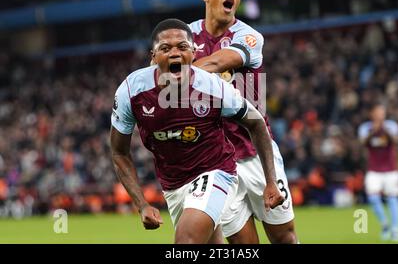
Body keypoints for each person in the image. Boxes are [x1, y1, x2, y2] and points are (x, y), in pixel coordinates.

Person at [110, 18, 284, 244]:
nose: (175, 53)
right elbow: (119, 152)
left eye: (182, 47)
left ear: (193, 53)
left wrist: (271, 180)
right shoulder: (131, 91)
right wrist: (141, 203)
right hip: (173, 184)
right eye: (165, 48)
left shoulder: (213, 87)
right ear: (153, 57)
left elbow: (256, 122)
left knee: (186, 242)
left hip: (215, 170)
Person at [189, 0, 297, 244]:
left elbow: (217, 62)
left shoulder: (249, 36)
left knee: (284, 237)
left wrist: (170, 75)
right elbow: (158, 61)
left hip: (255, 154)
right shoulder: (185, 37)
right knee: (242, 245)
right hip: (217, 162)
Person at [358, 103, 398, 242]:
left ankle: (395, 229)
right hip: (374, 170)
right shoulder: (365, 127)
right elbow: (363, 143)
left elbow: (395, 141)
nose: (380, 115)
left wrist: (383, 129)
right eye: (377, 112)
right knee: (372, 198)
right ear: (372, 114)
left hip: (391, 169)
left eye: (382, 112)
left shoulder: (392, 126)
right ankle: (384, 224)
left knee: (393, 198)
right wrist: (373, 131)